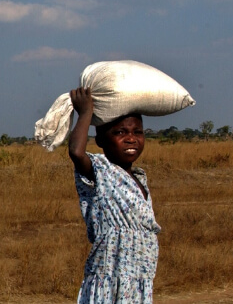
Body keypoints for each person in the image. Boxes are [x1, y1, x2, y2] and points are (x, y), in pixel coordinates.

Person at [66, 87, 161, 303]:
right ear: (100, 140)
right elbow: (76, 152)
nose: (131, 139)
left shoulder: (139, 177)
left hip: (139, 276)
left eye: (137, 132)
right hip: (111, 274)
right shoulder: (101, 169)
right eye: (120, 133)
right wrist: (85, 113)